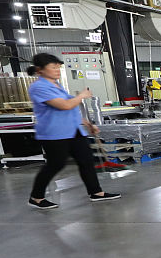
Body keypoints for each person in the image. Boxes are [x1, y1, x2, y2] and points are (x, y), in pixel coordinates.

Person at [26, 52, 120, 210]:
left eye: (58, 67)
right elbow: (65, 105)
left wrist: (86, 123)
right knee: (56, 164)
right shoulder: (39, 87)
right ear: (40, 69)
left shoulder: (57, 85)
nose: (57, 70)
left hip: (73, 130)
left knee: (87, 160)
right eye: (53, 67)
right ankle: (36, 197)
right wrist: (82, 96)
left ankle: (96, 192)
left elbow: (68, 110)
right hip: (54, 133)